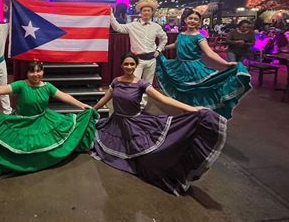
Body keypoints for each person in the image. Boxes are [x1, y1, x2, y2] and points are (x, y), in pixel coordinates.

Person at [92, 53, 227, 196]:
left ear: (136, 65)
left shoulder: (142, 84)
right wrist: (92, 110)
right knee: (107, 145)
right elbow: (104, 99)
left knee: (147, 156)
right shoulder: (116, 82)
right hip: (116, 122)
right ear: (121, 65)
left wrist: (192, 109)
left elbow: (163, 99)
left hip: (135, 123)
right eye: (126, 64)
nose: (129, 67)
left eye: (132, 64)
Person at [0, 61, 98, 185]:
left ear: (43, 72)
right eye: (32, 71)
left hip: (44, 121)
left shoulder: (48, 87)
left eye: (39, 71)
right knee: (19, 146)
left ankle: (43, 162)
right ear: (27, 73)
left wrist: (81, 105)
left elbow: (63, 96)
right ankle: (17, 165)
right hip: (22, 123)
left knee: (47, 144)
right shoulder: (21, 85)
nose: (36, 75)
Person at [156, 9, 252, 119]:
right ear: (185, 20)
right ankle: (186, 115)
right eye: (190, 18)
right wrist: (161, 48)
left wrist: (225, 63)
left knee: (196, 92)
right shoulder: (181, 34)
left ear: (199, 22)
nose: (192, 21)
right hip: (179, 66)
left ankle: (194, 117)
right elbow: (175, 45)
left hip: (194, 68)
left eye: (195, 19)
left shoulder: (199, 37)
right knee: (183, 92)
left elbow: (210, 53)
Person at [110, 0, 167, 85]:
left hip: (152, 59)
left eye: (148, 10)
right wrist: (110, 14)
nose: (146, 12)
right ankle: (136, 99)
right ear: (140, 12)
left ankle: (145, 99)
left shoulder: (156, 27)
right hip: (137, 60)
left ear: (152, 12)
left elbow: (164, 38)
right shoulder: (133, 26)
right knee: (134, 83)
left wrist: (159, 50)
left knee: (148, 85)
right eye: (144, 10)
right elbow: (117, 28)